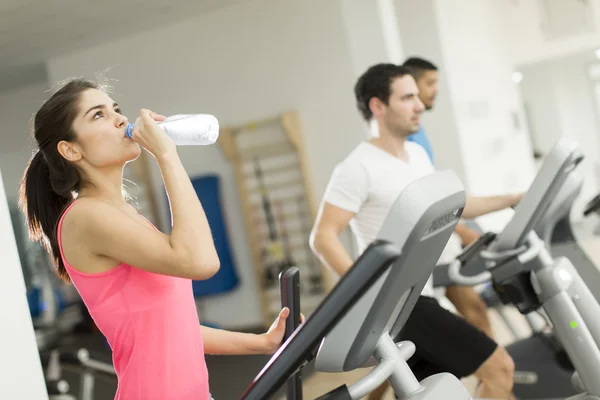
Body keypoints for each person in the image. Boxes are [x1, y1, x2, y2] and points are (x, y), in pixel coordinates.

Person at [19, 78, 294, 400]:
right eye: (98, 115)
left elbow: (169, 326)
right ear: (70, 149)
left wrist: (260, 342)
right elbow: (201, 262)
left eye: (116, 110)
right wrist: (166, 156)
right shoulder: (86, 217)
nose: (121, 119)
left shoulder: (122, 215)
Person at [310, 63, 518, 399]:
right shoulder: (357, 167)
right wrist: (366, 293)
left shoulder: (416, 155)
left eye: (417, 97)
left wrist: (513, 198)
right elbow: (323, 236)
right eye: (408, 98)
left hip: (421, 294)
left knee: (431, 391)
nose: (419, 105)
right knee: (499, 367)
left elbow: (455, 204)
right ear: (378, 106)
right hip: (400, 304)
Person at [403, 56, 495, 340]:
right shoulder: (407, 138)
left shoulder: (418, 132)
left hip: (438, 237)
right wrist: (461, 229)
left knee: (474, 311)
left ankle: (497, 378)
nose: (435, 90)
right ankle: (498, 376)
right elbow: (422, 200)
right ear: (411, 85)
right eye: (429, 83)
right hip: (423, 243)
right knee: (408, 335)